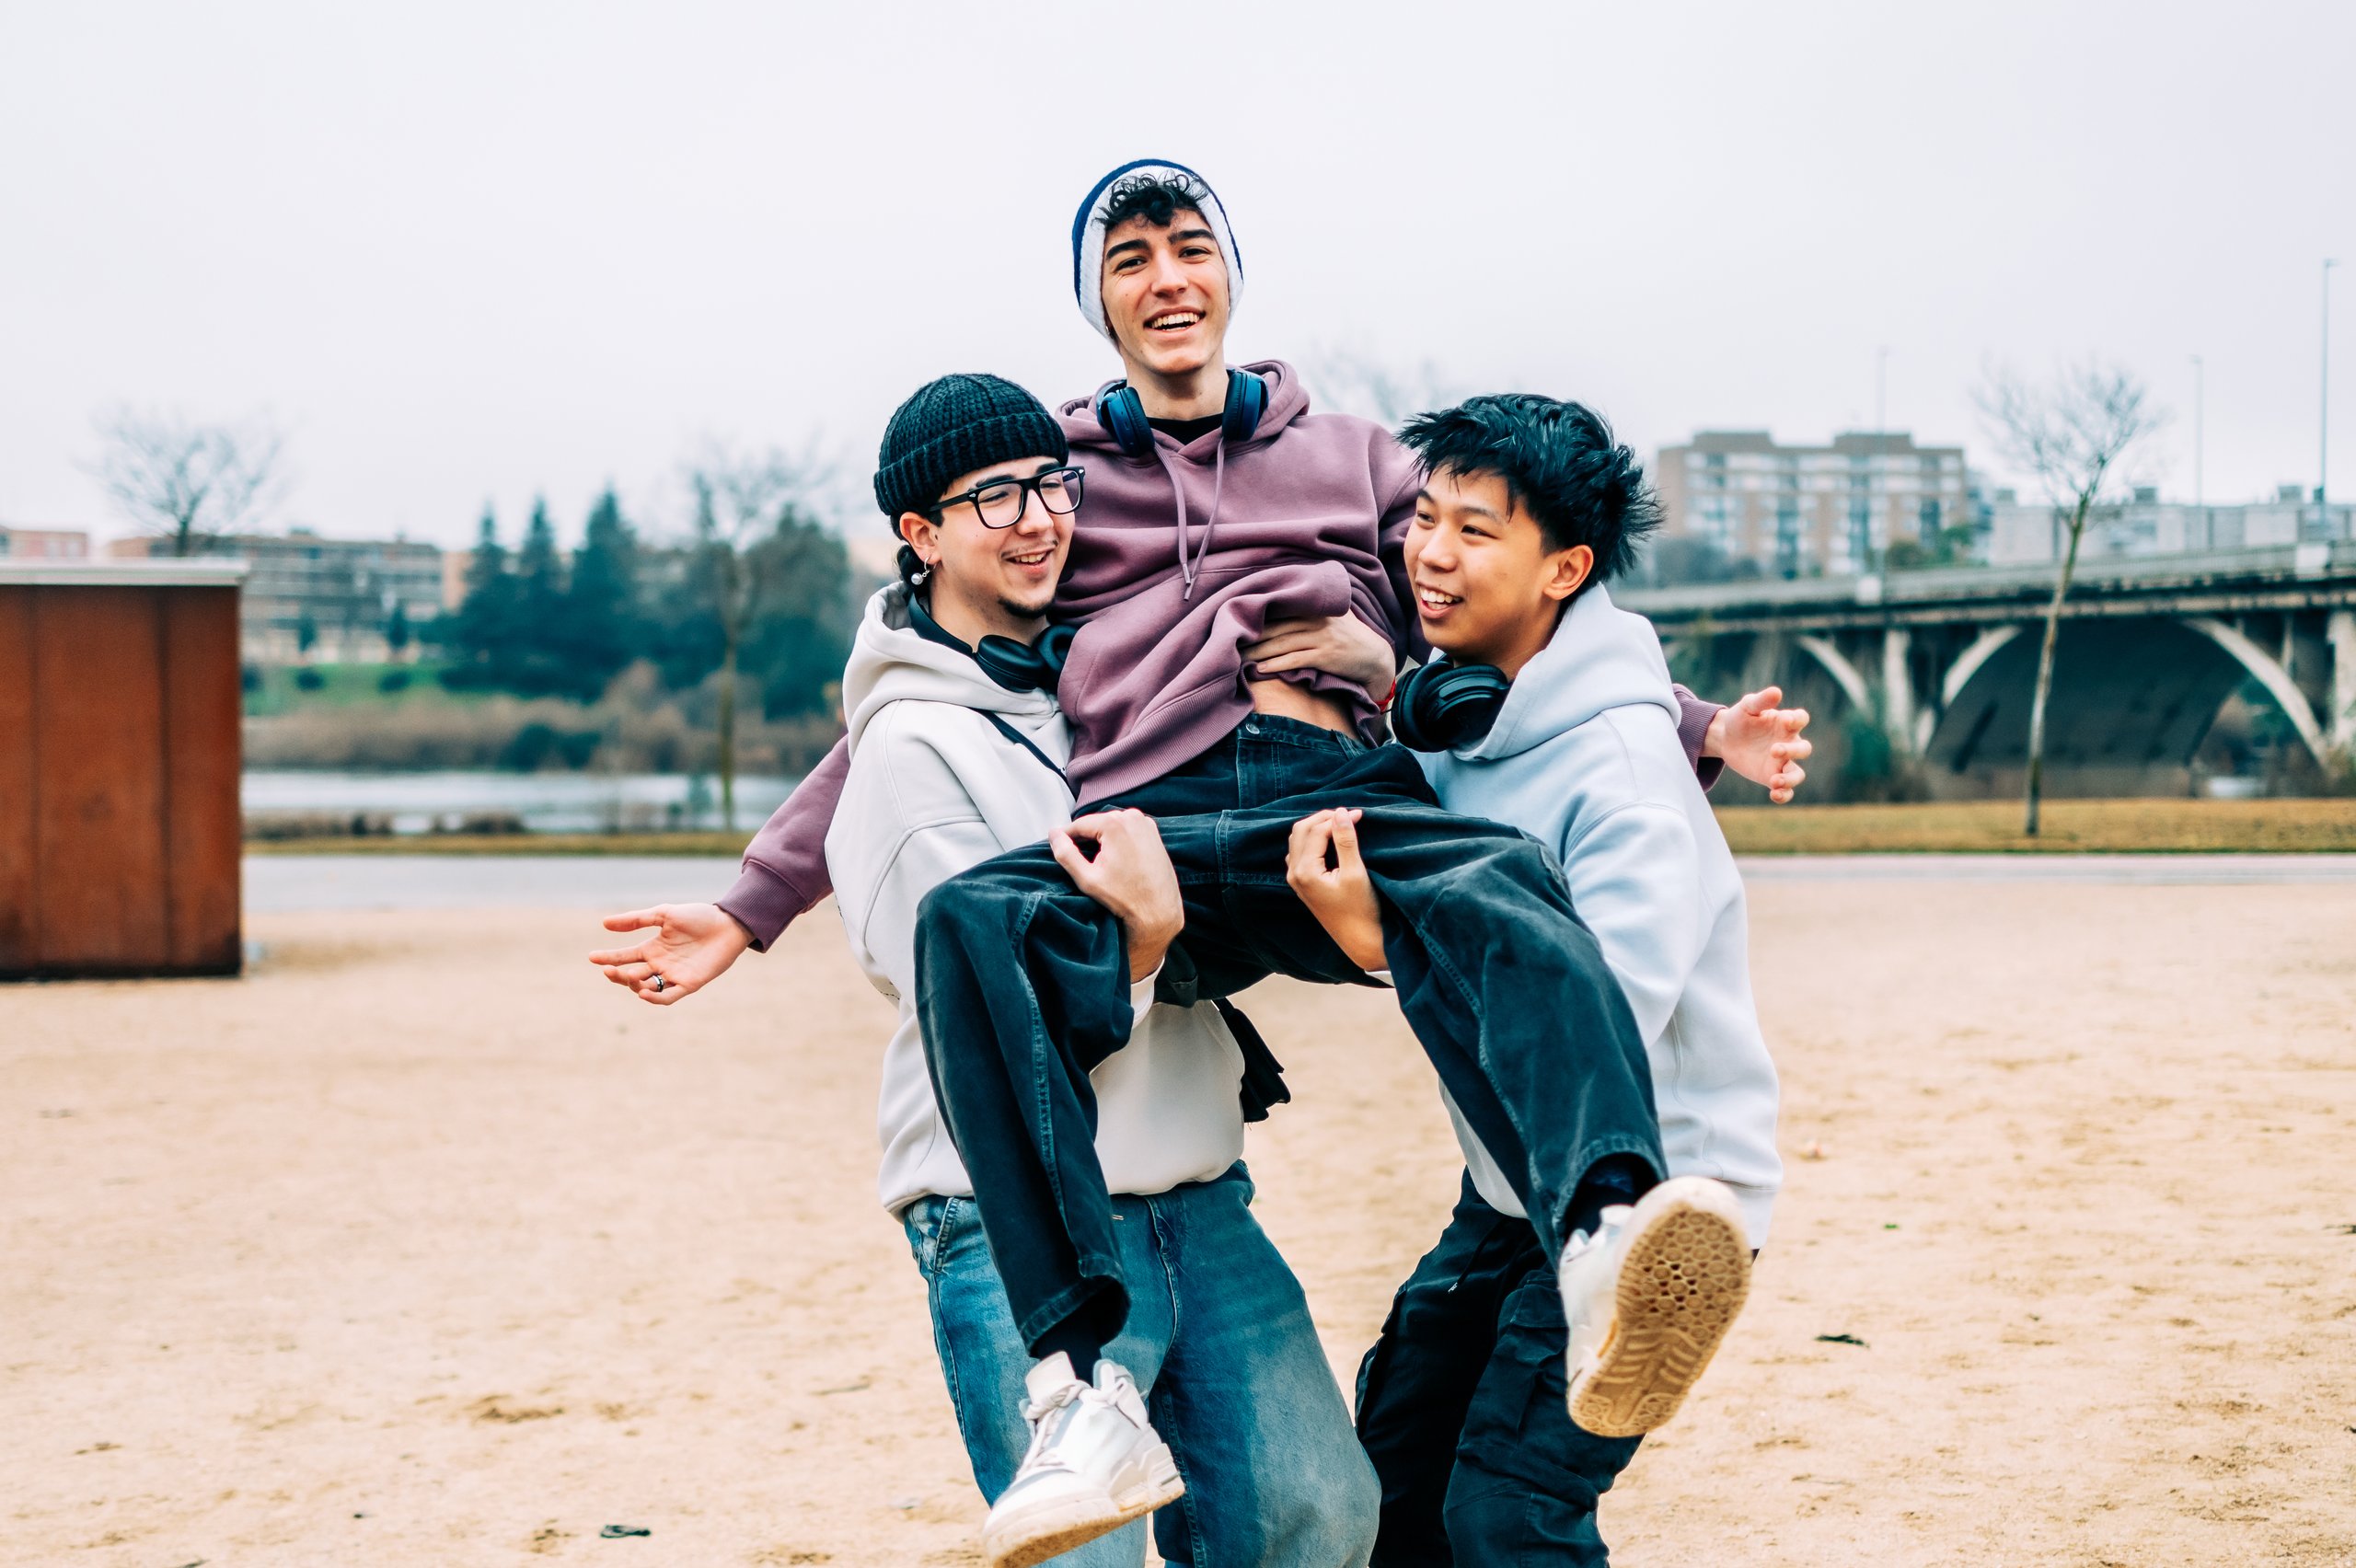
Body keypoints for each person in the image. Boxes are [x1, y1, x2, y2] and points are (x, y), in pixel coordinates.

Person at [602, 374, 1380, 1568]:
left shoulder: (1098, 686)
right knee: (1083, 1557)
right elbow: (993, 1000)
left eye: (1051, 485)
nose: (1038, 519)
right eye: (993, 497)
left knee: (1316, 1519)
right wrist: (1145, 941)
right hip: (1006, 1217)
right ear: (919, 535)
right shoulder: (910, 751)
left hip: (1194, 1183)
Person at [1282, 394, 1783, 1565]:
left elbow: (1588, 1032)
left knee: (1509, 1513)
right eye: (1424, 517)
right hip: (1509, 1190)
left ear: (1563, 569)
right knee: (1391, 1481)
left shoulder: (1623, 784)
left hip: (1654, 1206)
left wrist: (1384, 946)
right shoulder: (1461, 714)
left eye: (1475, 530)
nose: (1430, 553)